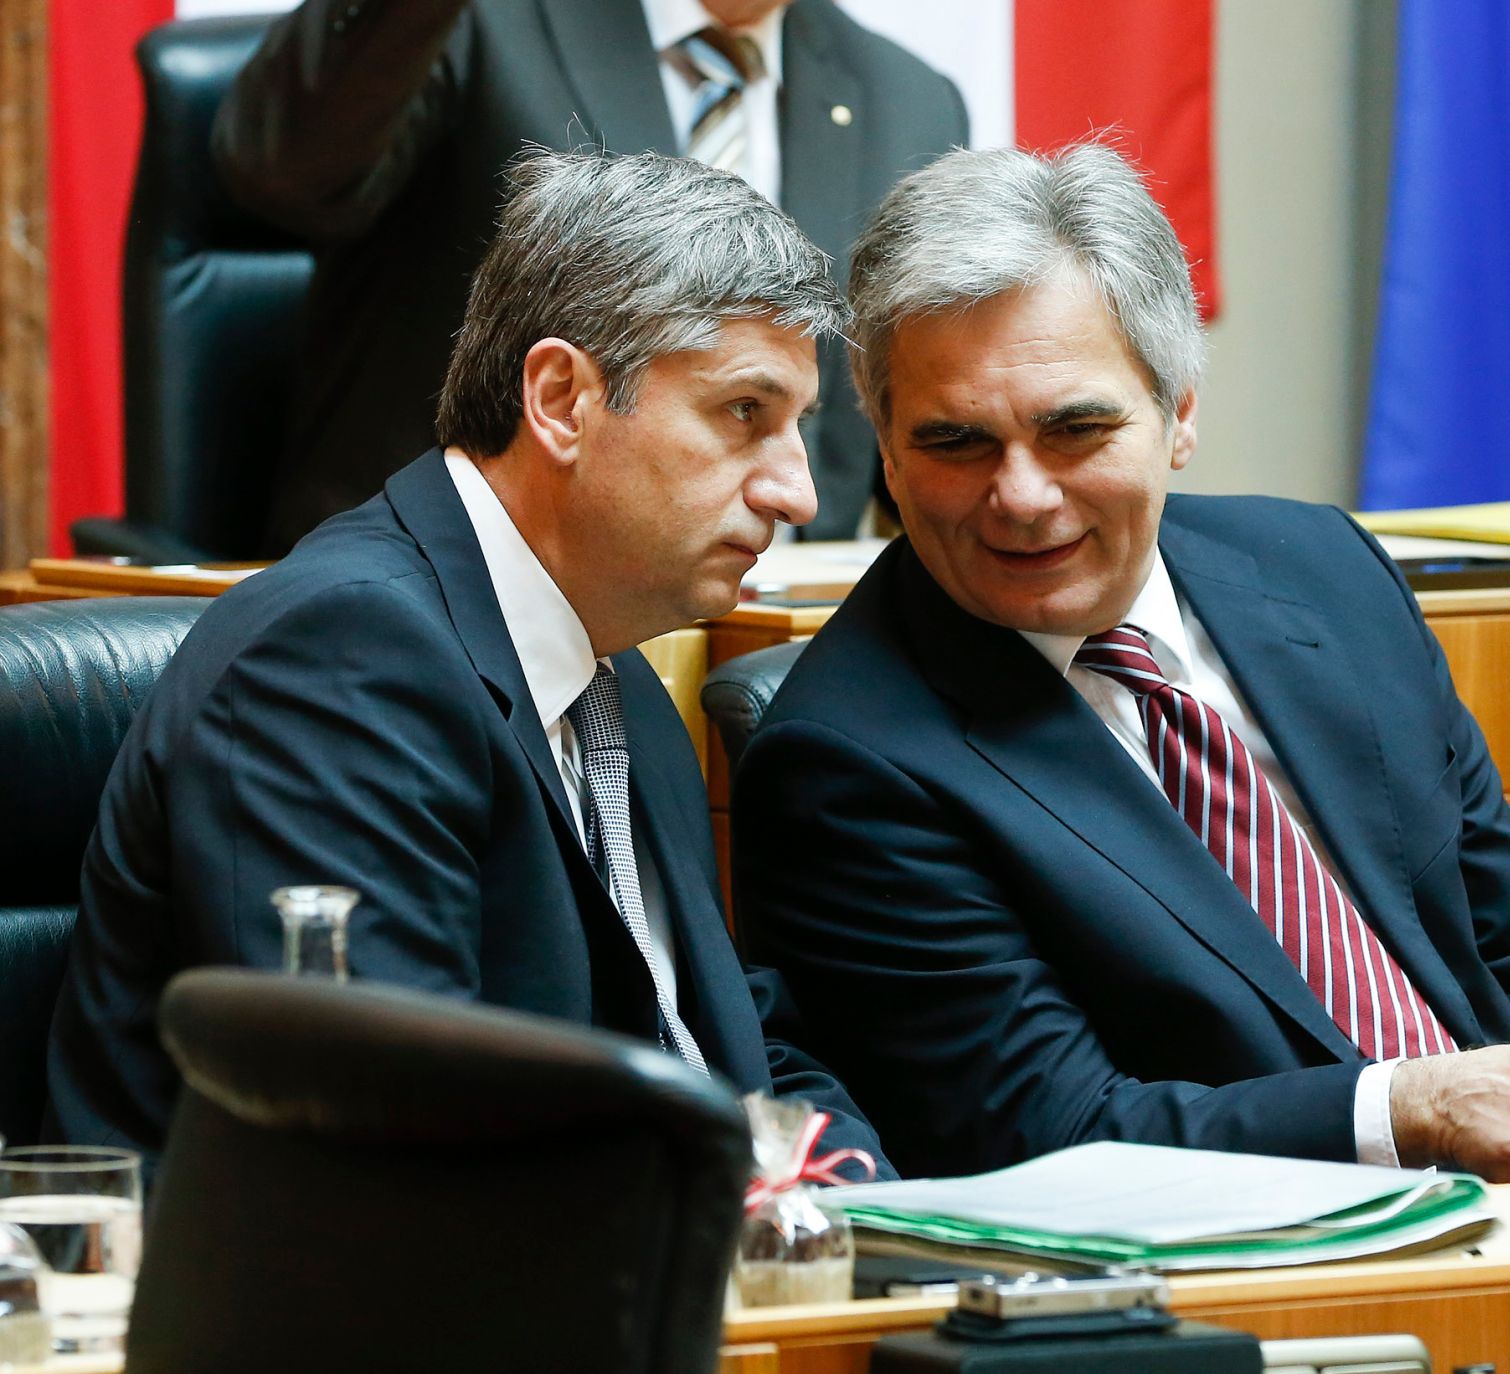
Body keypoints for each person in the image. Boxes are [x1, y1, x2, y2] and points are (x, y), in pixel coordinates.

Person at [732, 143, 1510, 1183]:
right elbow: (1050, 1135)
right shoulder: (845, 759)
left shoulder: (1322, 572)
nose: (1021, 496)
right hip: (1284, 1252)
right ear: (888, 453)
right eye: (956, 443)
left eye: (1075, 429)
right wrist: (1413, 1110)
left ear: (1179, 413)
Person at [47, 148, 887, 1176]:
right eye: (744, 413)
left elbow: (729, 1042)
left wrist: (866, 1206)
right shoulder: (339, 662)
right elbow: (391, 1135)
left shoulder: (616, 682)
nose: (797, 493)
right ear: (561, 399)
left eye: (797, 427)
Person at [213, 0, 967, 555]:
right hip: (448, 600)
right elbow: (282, 175)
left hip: (776, 635)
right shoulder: (467, 20)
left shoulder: (910, 100)